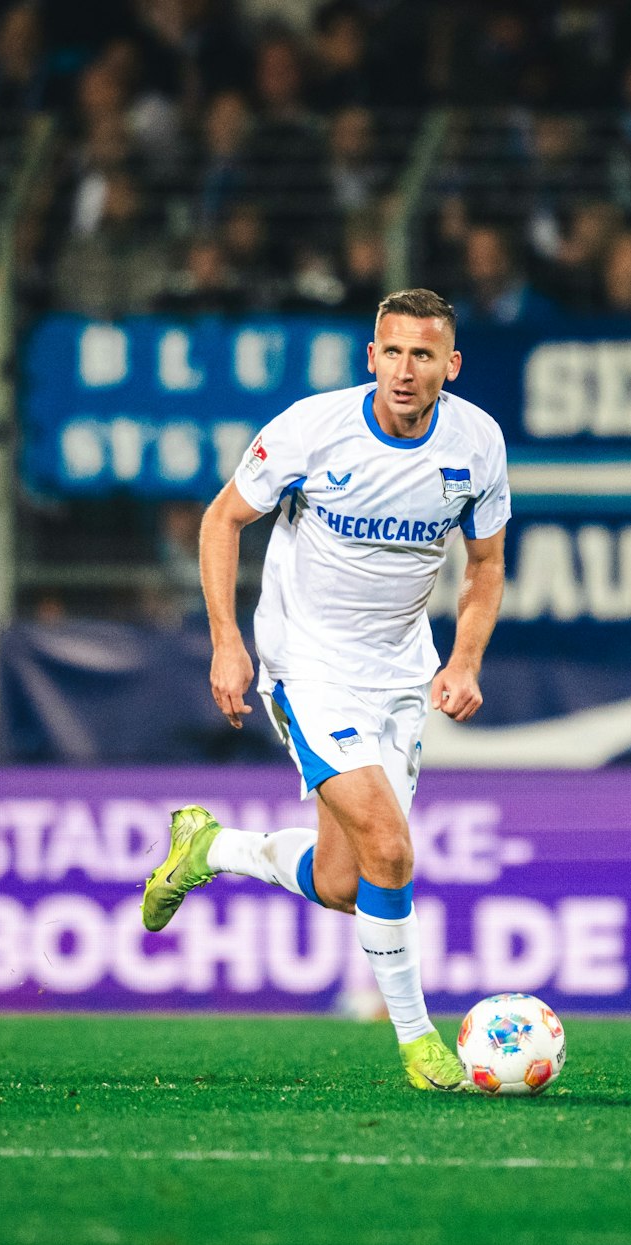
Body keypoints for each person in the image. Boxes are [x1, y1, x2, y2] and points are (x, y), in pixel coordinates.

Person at [141, 289, 510, 1093]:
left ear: (450, 365)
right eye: (392, 352)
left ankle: (212, 848)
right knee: (391, 845)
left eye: (423, 355)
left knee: (350, 881)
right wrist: (228, 639)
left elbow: (484, 567)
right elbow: (220, 520)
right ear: (369, 357)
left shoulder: (478, 443)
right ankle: (419, 1044)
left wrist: (465, 659)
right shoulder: (313, 429)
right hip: (307, 665)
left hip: (401, 673)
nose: (405, 370)